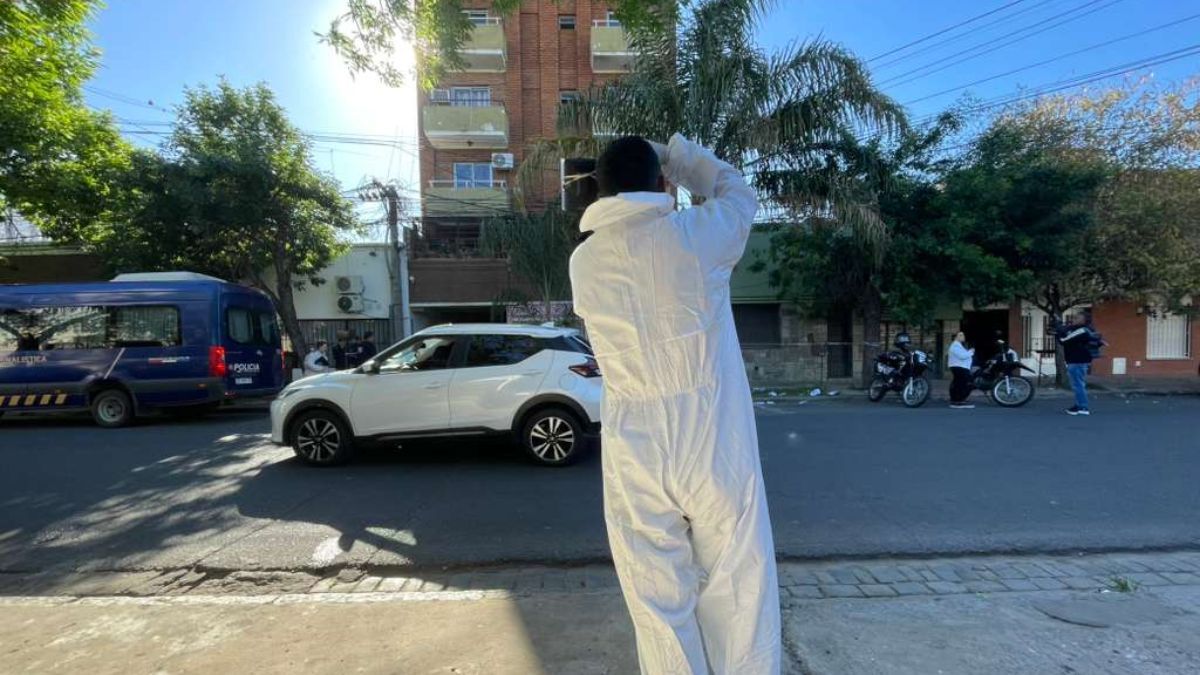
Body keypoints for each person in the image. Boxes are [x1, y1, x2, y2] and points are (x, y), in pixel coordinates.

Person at [570, 134, 779, 674]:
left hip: (634, 445)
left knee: (656, 598)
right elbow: (738, 193)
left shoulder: (584, 264)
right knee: (740, 583)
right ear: (661, 183)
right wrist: (679, 156)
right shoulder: (695, 238)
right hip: (713, 440)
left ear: (600, 190)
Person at [1057, 313, 1098, 415]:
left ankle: (1083, 407)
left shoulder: (1082, 330)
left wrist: (1058, 331)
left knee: (1078, 385)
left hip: (1077, 361)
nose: (1073, 319)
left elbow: (1064, 340)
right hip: (1077, 360)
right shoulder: (1079, 330)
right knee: (1077, 384)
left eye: (1077, 317)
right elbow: (1067, 334)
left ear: (1084, 321)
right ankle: (1079, 405)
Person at [948, 331, 975, 409]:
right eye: (960, 335)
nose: (963, 336)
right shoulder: (955, 346)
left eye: (963, 335)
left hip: (961, 367)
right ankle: (958, 401)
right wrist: (971, 351)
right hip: (959, 367)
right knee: (963, 384)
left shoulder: (959, 346)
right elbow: (962, 356)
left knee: (959, 383)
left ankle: (957, 400)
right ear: (955, 337)